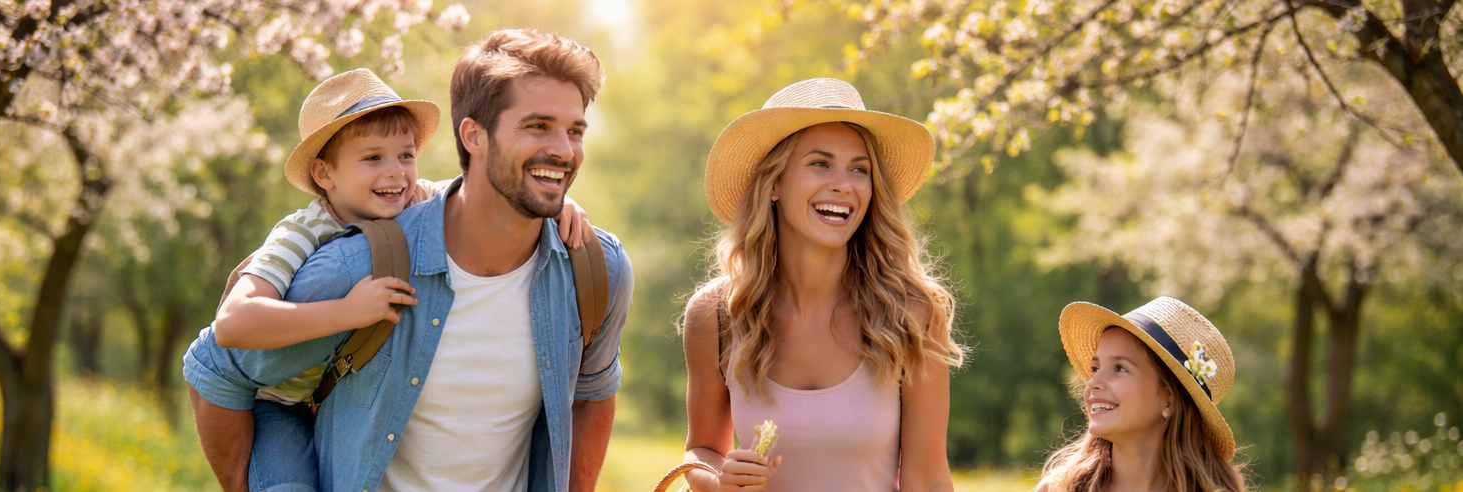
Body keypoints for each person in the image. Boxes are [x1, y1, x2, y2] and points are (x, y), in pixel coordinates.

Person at [183, 28, 631, 492]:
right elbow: (216, 362)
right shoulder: (346, 263)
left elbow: (592, 394)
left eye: (574, 130)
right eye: (537, 126)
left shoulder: (595, 267)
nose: (562, 148)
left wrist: (554, 199)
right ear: (473, 136)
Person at [680, 78, 966, 491]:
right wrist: (718, 480)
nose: (843, 184)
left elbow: (927, 478)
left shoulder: (912, 313)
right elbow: (702, 448)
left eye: (859, 169)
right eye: (820, 163)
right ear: (774, 183)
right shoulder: (716, 315)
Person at [1036, 297, 1248, 492]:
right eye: (1096, 368)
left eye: (1120, 368)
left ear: (1171, 399)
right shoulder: (1058, 489)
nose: (1093, 383)